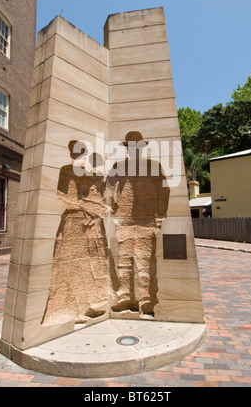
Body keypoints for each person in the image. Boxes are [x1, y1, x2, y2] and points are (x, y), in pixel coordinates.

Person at [42, 142, 110, 326]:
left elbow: (96, 196)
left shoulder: (88, 174)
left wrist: (95, 211)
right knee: (71, 267)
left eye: (83, 155)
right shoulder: (66, 170)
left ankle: (87, 305)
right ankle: (72, 309)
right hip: (73, 222)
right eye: (77, 155)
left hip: (90, 224)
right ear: (71, 155)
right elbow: (63, 196)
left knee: (89, 265)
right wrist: (84, 207)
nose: (81, 159)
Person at [108, 131, 170, 318]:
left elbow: (163, 191)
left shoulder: (153, 166)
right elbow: (109, 190)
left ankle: (147, 300)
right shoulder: (118, 167)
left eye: (137, 147)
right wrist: (113, 212)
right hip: (125, 220)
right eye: (130, 147)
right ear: (126, 149)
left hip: (147, 220)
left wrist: (160, 216)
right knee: (124, 262)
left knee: (146, 263)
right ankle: (125, 297)